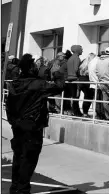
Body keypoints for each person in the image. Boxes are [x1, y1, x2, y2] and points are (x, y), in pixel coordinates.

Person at [6, 54, 65, 194]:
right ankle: (22, 189)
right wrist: (57, 74)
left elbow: (9, 106)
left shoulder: (15, 83)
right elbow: (58, 87)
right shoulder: (38, 84)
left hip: (18, 125)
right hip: (32, 126)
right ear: (31, 68)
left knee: (18, 157)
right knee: (29, 159)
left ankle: (15, 188)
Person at [76, 52, 95, 118]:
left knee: (77, 96)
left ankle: (77, 112)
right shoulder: (92, 63)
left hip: (80, 80)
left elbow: (78, 71)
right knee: (88, 97)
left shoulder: (83, 62)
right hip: (87, 81)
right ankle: (85, 113)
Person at [65, 45, 83, 117]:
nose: (82, 50)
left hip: (69, 79)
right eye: (81, 49)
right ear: (77, 50)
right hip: (75, 79)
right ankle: (76, 112)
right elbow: (76, 69)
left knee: (70, 96)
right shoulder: (76, 58)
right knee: (76, 96)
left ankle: (69, 110)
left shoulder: (70, 58)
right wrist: (81, 72)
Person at [88, 52, 104, 120]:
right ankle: (100, 115)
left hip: (92, 84)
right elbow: (100, 72)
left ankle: (98, 114)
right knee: (99, 100)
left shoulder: (91, 62)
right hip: (98, 84)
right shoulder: (98, 61)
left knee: (96, 100)